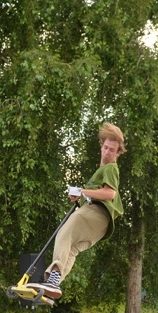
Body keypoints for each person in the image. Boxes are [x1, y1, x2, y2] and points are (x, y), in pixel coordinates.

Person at [28, 123, 126, 299]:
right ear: (101, 146)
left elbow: (109, 193)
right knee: (71, 249)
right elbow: (97, 193)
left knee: (64, 232)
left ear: (118, 153)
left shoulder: (110, 168)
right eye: (105, 148)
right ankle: (54, 284)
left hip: (97, 213)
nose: (107, 152)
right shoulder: (101, 170)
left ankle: (52, 278)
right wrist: (80, 196)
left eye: (112, 150)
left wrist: (82, 191)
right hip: (102, 225)